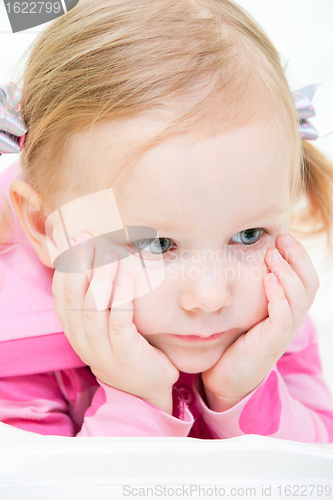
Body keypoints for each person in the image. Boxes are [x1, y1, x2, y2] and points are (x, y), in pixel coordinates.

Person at [0, 0, 333, 441]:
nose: (210, 297)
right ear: (47, 227)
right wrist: (136, 398)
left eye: (248, 236)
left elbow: (317, 463)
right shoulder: (14, 352)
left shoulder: (269, 315)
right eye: (157, 245)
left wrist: (244, 392)